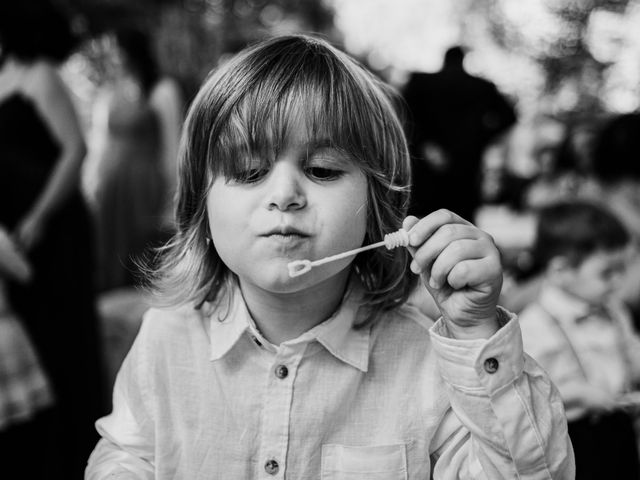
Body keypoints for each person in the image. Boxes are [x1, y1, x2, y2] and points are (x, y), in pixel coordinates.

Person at [86, 35, 573, 479]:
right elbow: (127, 456)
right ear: (201, 206)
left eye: (321, 169)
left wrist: (475, 334)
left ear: (377, 210)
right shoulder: (166, 337)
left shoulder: (428, 362)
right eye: (249, 170)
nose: (284, 195)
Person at [0, 1, 107, 478]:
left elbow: (75, 151)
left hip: (53, 228)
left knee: (64, 340)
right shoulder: (8, 75)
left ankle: (73, 453)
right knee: (35, 339)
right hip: (17, 233)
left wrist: (40, 216)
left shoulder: (42, 75)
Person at [518, 201, 640, 480]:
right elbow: (527, 399)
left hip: (619, 431)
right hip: (574, 440)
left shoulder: (614, 311)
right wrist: (578, 394)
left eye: (622, 269)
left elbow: (628, 352)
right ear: (561, 271)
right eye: (607, 272)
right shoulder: (535, 327)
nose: (619, 281)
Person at [86, 26, 183, 292]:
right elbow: (99, 144)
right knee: (110, 248)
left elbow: (171, 146)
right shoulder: (108, 93)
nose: (113, 57)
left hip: (145, 186)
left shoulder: (161, 90)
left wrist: (172, 198)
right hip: (112, 185)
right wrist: (92, 182)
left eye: (117, 50)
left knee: (142, 250)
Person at [402, 45, 517, 222]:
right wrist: (481, 138)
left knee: (421, 220)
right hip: (465, 164)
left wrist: (425, 144)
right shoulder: (482, 87)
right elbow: (509, 116)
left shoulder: (420, 82)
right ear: (463, 60)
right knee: (462, 220)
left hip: (427, 164)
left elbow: (404, 116)